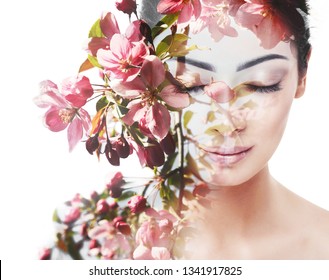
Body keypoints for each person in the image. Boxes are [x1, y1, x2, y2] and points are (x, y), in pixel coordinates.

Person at [139, 0, 329, 259]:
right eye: (189, 86)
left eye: (262, 84)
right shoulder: (90, 244)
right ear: (143, 78)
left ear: (302, 74)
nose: (226, 123)